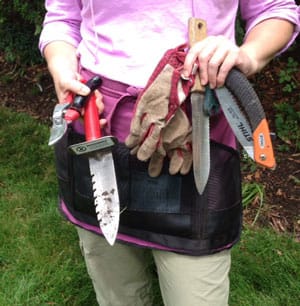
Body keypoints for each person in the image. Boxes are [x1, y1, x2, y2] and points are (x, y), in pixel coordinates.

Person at [39, 1, 299, 305]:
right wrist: (62, 68)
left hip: (196, 133)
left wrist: (248, 55)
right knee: (117, 292)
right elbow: (64, 17)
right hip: (99, 128)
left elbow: (275, 10)